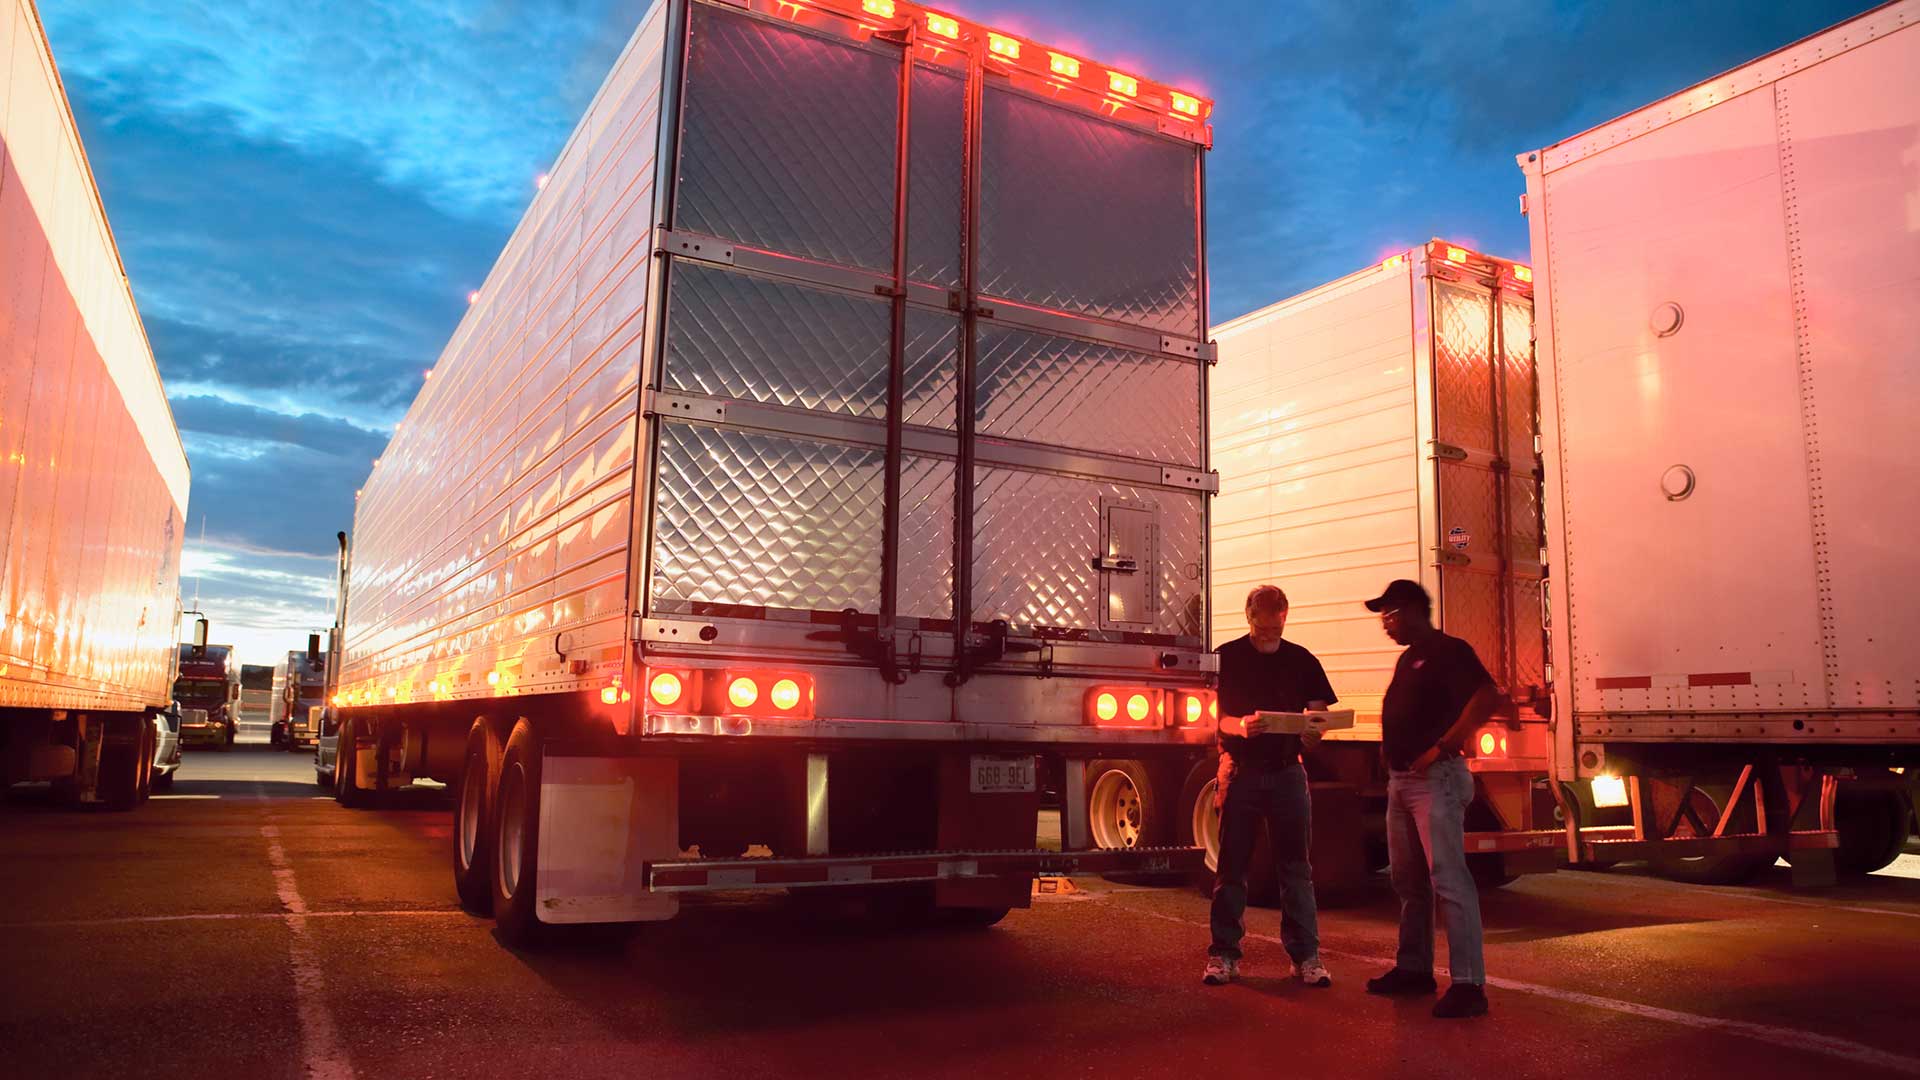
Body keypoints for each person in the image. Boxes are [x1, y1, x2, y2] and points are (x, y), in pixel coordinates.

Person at [1360, 579, 1499, 1019]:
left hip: (1435, 781)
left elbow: (1486, 696)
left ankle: (1468, 985)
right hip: (1402, 783)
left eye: (1389, 614)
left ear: (1413, 610)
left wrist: (1444, 745)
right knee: (1409, 882)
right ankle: (1414, 969)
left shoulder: (1448, 651)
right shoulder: (1409, 659)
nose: (1385, 624)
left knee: (1449, 880)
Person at [1202, 585, 1336, 988]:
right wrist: (1239, 726)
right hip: (1240, 768)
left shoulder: (1302, 659)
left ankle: (1305, 957)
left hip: (1287, 770)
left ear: (1284, 617)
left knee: (1296, 868)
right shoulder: (1226, 658)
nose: (1266, 637)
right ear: (1248, 617)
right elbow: (1213, 717)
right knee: (1233, 865)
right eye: (1261, 630)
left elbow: (1318, 713)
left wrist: (1315, 732)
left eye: (1273, 630)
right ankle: (1223, 955)